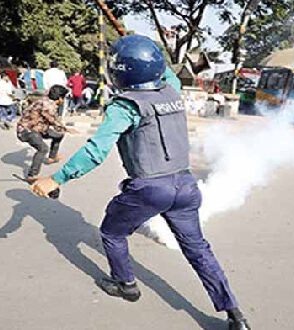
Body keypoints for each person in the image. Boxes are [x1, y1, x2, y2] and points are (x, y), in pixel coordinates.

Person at [31, 35, 250, 330]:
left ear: (119, 72)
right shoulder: (172, 90)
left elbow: (96, 151)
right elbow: (164, 68)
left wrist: (56, 178)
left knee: (111, 232)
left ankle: (126, 285)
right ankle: (235, 314)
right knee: (199, 250)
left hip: (149, 188)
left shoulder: (124, 106)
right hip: (186, 185)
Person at [16, 85, 78, 183]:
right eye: (64, 98)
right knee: (43, 149)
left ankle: (52, 157)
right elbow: (54, 120)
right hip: (26, 130)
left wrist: (62, 130)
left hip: (39, 128)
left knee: (59, 134)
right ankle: (31, 175)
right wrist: (66, 129)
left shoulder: (46, 100)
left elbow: (54, 120)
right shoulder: (48, 106)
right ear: (60, 98)